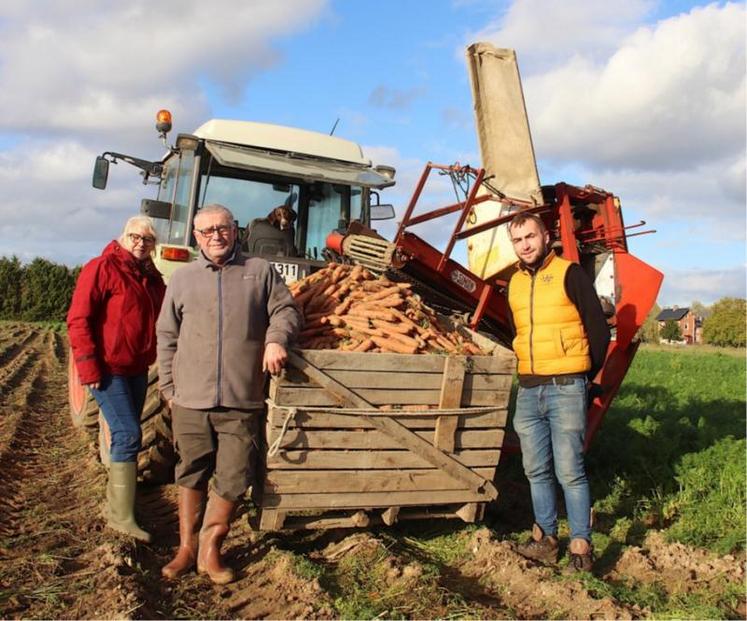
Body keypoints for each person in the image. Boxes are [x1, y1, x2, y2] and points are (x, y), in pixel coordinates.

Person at [157, 204, 301, 584]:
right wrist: (170, 389)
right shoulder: (183, 278)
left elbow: (285, 311)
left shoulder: (259, 271)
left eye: (223, 228)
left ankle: (211, 547)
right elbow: (166, 336)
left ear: (235, 230)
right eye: (207, 231)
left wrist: (275, 340)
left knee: (234, 475)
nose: (216, 236)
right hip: (190, 398)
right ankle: (186, 548)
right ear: (196, 237)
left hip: (241, 397)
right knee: (191, 471)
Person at [506, 212, 610, 573]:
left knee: (570, 470)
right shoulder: (514, 283)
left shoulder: (570, 273)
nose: (526, 245)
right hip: (529, 387)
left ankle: (581, 546)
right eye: (518, 240)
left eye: (531, 236)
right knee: (535, 468)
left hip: (566, 385)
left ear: (545, 235)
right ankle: (546, 539)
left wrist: (584, 375)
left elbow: (598, 330)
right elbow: (517, 333)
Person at [67, 215, 165, 542]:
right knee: (127, 433)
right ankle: (120, 516)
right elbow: (79, 319)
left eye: (148, 239)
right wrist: (88, 367)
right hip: (107, 369)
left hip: (137, 368)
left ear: (154, 245)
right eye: (135, 236)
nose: (141, 243)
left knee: (128, 434)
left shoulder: (151, 277)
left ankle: (123, 507)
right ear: (123, 237)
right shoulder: (102, 267)